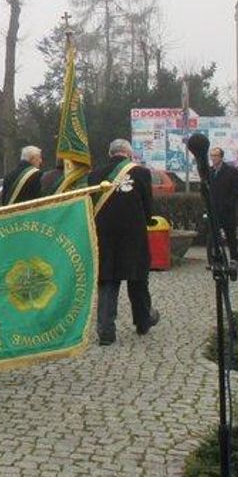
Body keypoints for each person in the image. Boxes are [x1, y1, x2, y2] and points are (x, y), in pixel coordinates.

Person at [88, 139, 159, 346]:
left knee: (107, 280)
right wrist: (147, 220)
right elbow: (148, 206)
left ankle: (106, 331)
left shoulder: (95, 175)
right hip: (133, 235)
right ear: (128, 154)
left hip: (104, 236)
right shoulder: (141, 173)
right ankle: (143, 321)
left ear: (110, 154)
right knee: (138, 279)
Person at [208, 146, 238, 264]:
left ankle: (234, 257)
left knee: (230, 235)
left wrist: (230, 203)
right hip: (214, 209)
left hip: (228, 209)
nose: (213, 158)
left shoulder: (231, 171)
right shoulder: (210, 171)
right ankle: (215, 258)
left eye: (215, 156)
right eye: (211, 156)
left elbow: (237, 190)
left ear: (221, 157)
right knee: (214, 236)